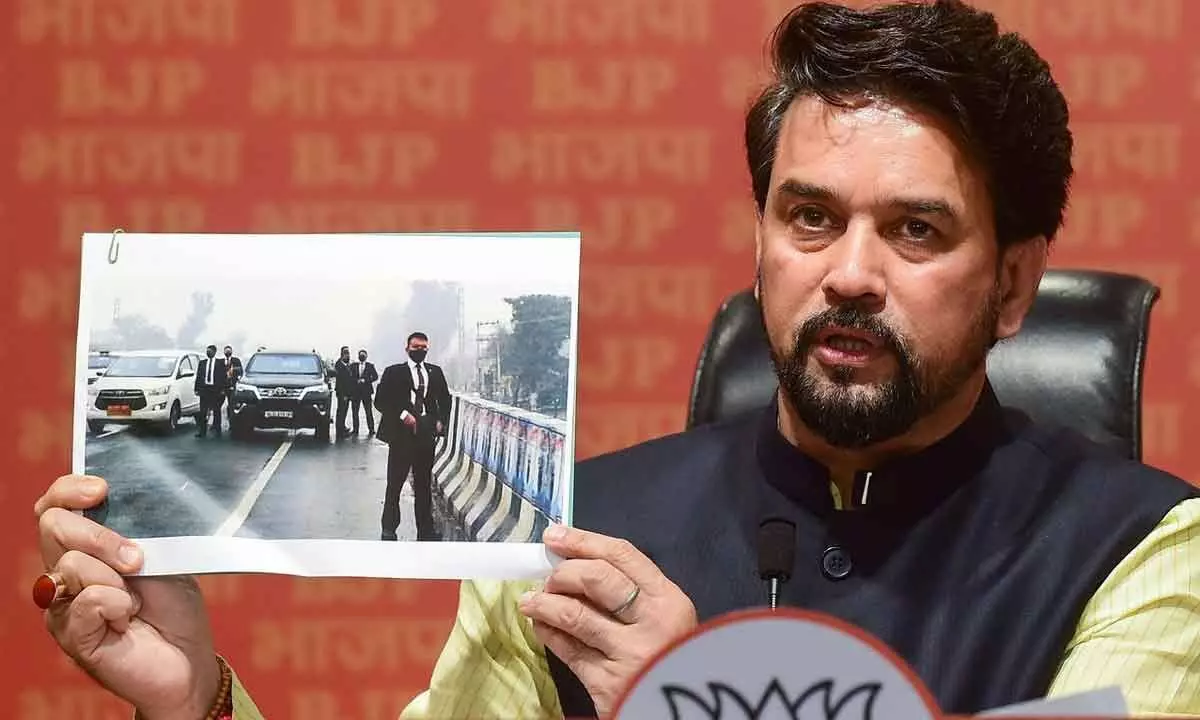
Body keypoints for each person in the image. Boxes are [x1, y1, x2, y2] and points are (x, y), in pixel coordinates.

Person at [29, 1, 1200, 718]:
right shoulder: (567, 541)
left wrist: (707, 698)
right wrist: (194, 705)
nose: (848, 272)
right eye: (807, 216)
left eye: (915, 229)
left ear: (1013, 285)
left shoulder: (1146, 555)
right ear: (758, 243)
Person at [374, 332, 451, 541]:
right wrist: (402, 415)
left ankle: (425, 530)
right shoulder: (394, 373)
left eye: (424, 348)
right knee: (395, 484)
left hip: (425, 436)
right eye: (416, 347)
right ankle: (389, 529)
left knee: (424, 484)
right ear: (407, 348)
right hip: (401, 436)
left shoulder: (435, 372)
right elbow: (380, 401)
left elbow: (445, 400)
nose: (420, 351)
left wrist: (440, 421)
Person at [194, 344, 227, 438]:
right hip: (205, 390)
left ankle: (217, 430)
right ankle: (202, 431)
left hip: (215, 390)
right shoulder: (202, 363)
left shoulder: (220, 363)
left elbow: (224, 377)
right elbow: (199, 377)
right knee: (203, 412)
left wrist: (223, 389)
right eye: (207, 351)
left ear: (214, 352)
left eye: (210, 351)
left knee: (217, 411)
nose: (208, 352)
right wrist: (196, 389)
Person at [350, 348, 379, 436]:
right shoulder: (353, 365)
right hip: (356, 392)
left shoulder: (370, 366)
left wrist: (365, 380)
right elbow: (350, 377)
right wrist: (356, 381)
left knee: (368, 411)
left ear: (366, 356)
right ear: (358, 356)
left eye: (363, 355)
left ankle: (371, 429)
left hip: (366, 392)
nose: (362, 356)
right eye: (360, 355)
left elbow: (375, 377)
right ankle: (355, 430)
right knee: (355, 412)